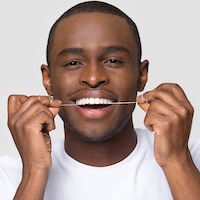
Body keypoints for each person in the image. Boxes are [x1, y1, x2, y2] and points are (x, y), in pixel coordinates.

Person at [0, 1, 200, 199]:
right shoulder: (8, 177)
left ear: (141, 75)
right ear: (48, 79)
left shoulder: (192, 159)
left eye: (113, 61)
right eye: (73, 63)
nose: (93, 78)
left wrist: (178, 162)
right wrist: (33, 172)